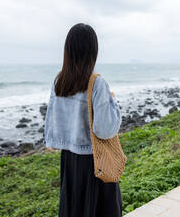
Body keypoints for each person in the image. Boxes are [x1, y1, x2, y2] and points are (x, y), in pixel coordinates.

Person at [44, 23, 123, 217]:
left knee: (74, 209)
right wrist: (112, 102)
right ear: (92, 51)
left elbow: (53, 124)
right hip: (94, 159)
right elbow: (104, 130)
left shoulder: (59, 81)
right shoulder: (97, 83)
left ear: (68, 50)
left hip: (69, 160)